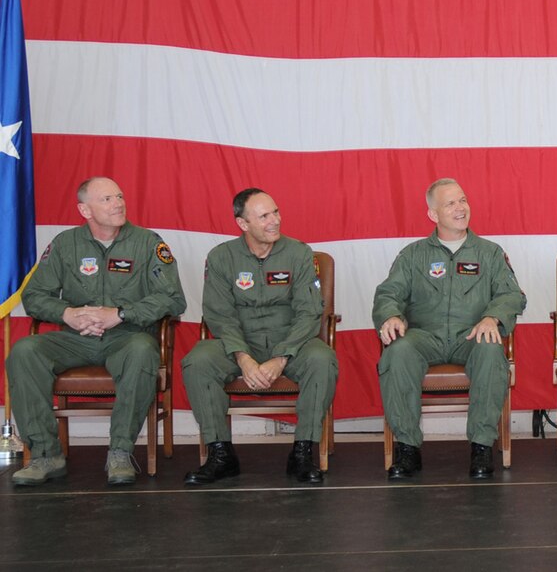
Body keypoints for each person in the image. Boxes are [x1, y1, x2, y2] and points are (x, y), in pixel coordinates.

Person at [9, 177, 186, 486]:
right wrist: (69, 314)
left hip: (127, 337)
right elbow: (34, 296)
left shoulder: (147, 243)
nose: (118, 203)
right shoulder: (66, 244)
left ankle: (120, 452)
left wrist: (120, 314)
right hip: (75, 338)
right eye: (106, 199)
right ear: (84, 209)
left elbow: (173, 298)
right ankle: (45, 455)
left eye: (119, 196)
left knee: (143, 350)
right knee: (24, 351)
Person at [181, 188, 337, 485]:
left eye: (276, 212)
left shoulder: (299, 253)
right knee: (197, 361)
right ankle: (220, 454)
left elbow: (309, 312)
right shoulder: (221, 257)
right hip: (239, 342)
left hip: (290, 342)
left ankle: (303, 452)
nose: (275, 220)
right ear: (243, 224)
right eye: (264, 216)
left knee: (323, 359)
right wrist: (244, 358)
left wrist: (281, 357)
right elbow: (219, 315)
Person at [374, 178, 526, 480]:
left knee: (490, 350)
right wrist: (390, 315)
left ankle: (482, 446)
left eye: (463, 200)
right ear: (433, 214)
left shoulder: (489, 253)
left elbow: (512, 296)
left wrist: (492, 317)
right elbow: (388, 294)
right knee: (397, 351)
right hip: (424, 336)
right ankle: (407, 448)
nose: (461, 208)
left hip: (471, 334)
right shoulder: (413, 255)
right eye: (451, 203)